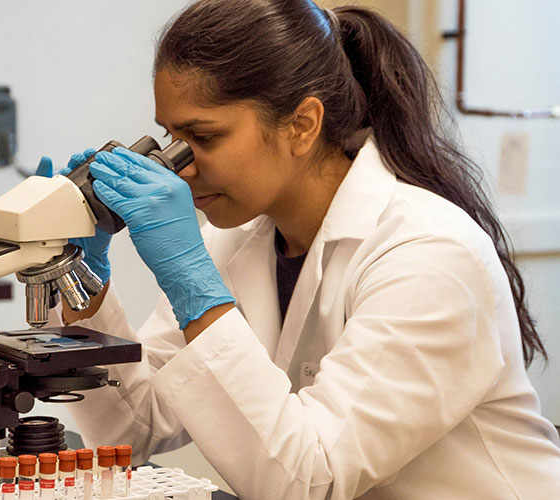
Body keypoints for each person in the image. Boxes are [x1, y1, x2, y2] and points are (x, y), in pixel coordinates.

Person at [37, 1, 560, 498]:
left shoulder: (427, 253)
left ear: (302, 125)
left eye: (204, 136)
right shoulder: (238, 239)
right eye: (169, 136)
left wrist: (191, 284)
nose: (178, 165)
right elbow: (135, 427)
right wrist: (82, 283)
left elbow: (310, 482)